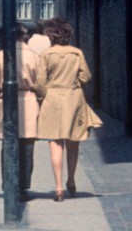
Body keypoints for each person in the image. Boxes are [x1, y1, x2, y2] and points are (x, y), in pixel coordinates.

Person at [36, 18, 102, 201]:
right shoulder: (77, 53)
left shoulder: (46, 55)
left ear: (50, 35)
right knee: (73, 142)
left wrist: (44, 97)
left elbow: (40, 83)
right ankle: (71, 180)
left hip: (53, 100)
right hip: (73, 99)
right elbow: (86, 76)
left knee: (55, 143)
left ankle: (58, 188)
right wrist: (74, 84)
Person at [0, 23, 40, 201]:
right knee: (27, 147)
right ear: (26, 36)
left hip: (5, 102)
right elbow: (42, 85)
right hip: (29, 103)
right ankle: (22, 186)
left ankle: (9, 184)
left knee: (8, 146)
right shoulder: (35, 57)